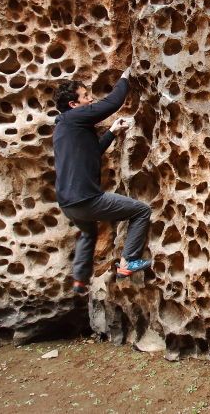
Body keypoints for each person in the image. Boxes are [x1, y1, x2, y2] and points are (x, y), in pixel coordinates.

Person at [51, 67, 151, 294]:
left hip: (68, 205)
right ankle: (128, 264)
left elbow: (92, 152)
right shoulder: (74, 117)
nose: (90, 99)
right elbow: (111, 104)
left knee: (88, 232)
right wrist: (125, 78)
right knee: (141, 211)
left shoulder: (64, 128)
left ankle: (79, 280)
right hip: (86, 199)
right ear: (73, 105)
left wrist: (112, 133)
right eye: (85, 96)